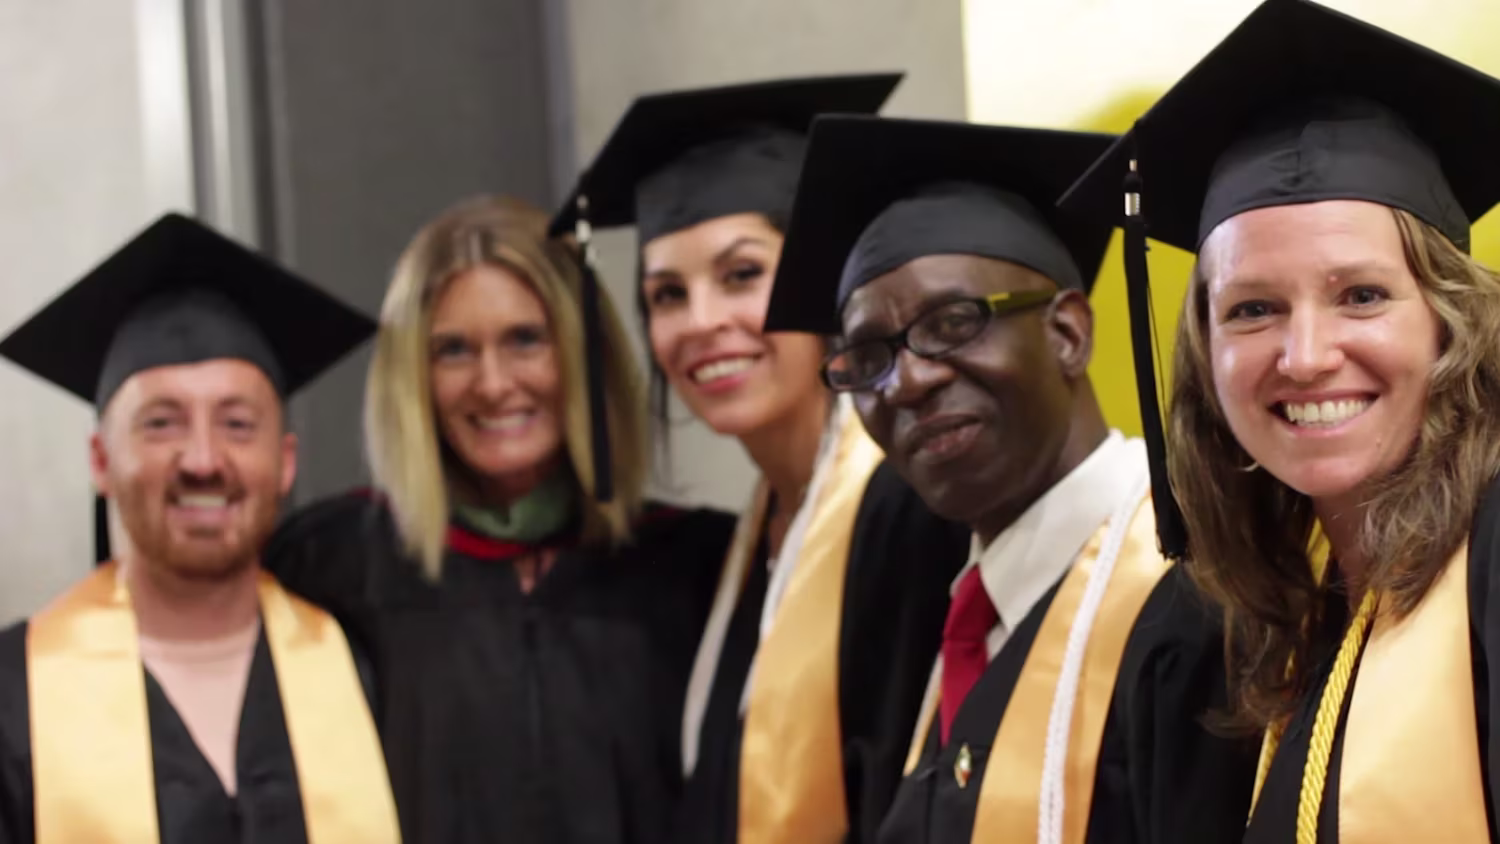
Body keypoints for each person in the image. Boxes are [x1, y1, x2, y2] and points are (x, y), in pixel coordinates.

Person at [1058, 0, 1500, 839]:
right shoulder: (1234, 627)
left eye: (1361, 295)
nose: (1304, 357)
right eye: (1253, 309)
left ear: (1452, 320)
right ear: (1204, 352)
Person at [765, 114, 1260, 843]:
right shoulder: (959, 627)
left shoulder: (1194, 599)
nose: (907, 381)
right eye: (868, 357)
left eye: (952, 322)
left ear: (1069, 333)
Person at [553, 75, 971, 843]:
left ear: (822, 282)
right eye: (667, 294)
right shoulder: (746, 547)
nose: (701, 321)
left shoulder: (909, 515)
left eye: (741, 275)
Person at [262, 195, 735, 844]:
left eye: (525, 339)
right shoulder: (331, 568)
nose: (492, 383)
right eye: (453, 350)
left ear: (584, 352)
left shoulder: (697, 568)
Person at [0, 213, 398, 843]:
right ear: (101, 461)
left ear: (285, 463)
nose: (204, 460)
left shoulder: (360, 671)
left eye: (237, 424)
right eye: (162, 423)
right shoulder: (16, 693)